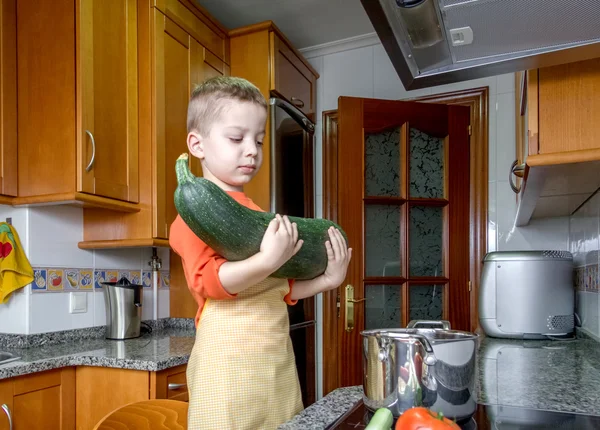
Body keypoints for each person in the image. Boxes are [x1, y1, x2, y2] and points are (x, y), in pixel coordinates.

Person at [169, 76, 353, 430]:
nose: (251, 149)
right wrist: (267, 259)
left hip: (275, 366)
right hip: (227, 370)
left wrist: (327, 280)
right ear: (197, 144)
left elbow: (277, 288)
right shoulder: (193, 211)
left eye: (258, 139)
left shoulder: (254, 213)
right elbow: (208, 281)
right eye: (237, 138)